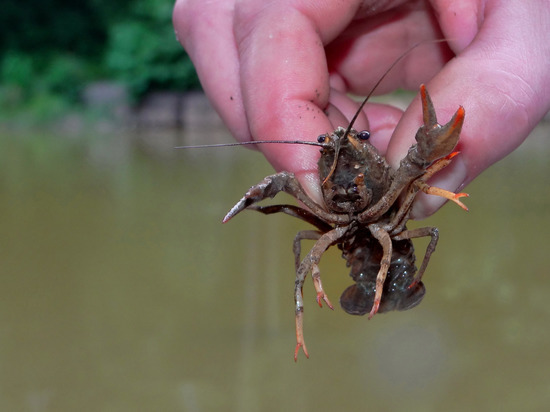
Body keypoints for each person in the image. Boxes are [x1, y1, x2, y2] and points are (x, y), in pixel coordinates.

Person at [173, 0, 550, 219]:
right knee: (288, 186)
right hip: (346, 234)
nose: (346, 150)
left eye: (360, 139)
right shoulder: (321, 180)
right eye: (327, 146)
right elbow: (288, 193)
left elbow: (414, 175)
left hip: (388, 225)